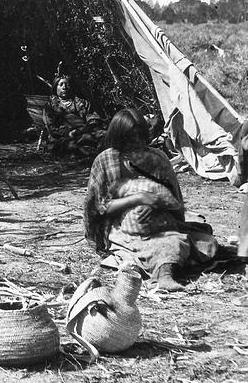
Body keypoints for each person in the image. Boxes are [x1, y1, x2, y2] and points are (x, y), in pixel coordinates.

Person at [84, 107, 216, 292]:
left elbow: (175, 202)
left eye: (139, 136)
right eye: (129, 137)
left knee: (192, 241)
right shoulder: (105, 161)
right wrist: (137, 199)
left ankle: (164, 274)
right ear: (118, 137)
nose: (136, 142)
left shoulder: (157, 158)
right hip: (120, 226)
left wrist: (162, 207)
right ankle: (164, 274)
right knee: (153, 246)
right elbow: (99, 207)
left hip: (160, 224)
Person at [43, 75, 105, 158]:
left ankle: (100, 153)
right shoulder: (50, 106)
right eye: (60, 84)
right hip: (63, 138)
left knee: (103, 135)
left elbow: (92, 116)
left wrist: (89, 126)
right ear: (55, 88)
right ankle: (94, 155)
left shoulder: (81, 103)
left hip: (84, 133)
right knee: (76, 148)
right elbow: (51, 128)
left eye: (67, 84)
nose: (64, 87)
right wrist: (69, 133)